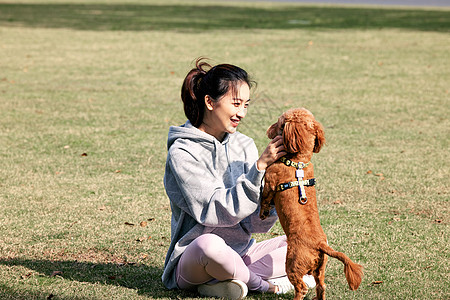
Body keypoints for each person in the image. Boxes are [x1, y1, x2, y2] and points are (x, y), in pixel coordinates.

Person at [162, 58, 315, 299]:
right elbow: (214, 211)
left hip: (242, 252)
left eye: (246, 104)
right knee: (209, 245)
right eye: (236, 104)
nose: (242, 113)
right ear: (209, 102)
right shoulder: (182, 152)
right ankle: (264, 285)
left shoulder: (244, 145)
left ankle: (227, 281)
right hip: (195, 258)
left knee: (307, 242)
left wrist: (276, 191)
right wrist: (258, 169)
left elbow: (254, 224)